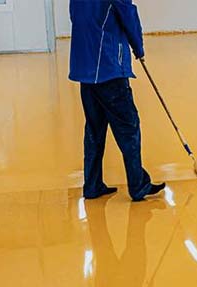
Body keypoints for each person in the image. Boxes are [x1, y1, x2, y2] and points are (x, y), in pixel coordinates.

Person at [69, 0, 165, 201]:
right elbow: (128, 14)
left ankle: (92, 185)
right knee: (129, 127)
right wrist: (139, 48)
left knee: (94, 129)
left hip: (85, 68)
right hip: (108, 66)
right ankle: (138, 185)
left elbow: (76, 16)